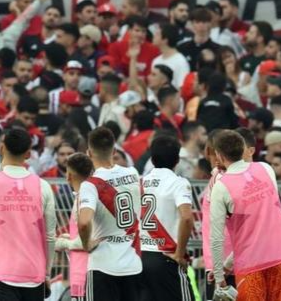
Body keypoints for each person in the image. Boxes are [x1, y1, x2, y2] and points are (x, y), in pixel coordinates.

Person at [0, 128, 56, 300]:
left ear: (2, 148)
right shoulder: (43, 186)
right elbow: (50, 236)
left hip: (2, 273)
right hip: (34, 273)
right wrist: (47, 274)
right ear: (28, 154)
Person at [210, 130, 281, 301]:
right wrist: (228, 265)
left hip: (250, 263)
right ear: (243, 149)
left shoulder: (221, 186)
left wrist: (220, 278)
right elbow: (269, 215)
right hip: (279, 255)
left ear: (218, 155)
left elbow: (217, 238)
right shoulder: (265, 169)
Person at [78, 127, 142, 300]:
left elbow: (84, 222)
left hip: (103, 266)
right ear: (114, 151)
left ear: (89, 153)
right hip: (133, 264)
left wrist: (86, 244)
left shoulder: (90, 185)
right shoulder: (133, 173)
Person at [140, 135, 194, 301]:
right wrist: (179, 254)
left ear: (152, 158)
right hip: (166, 256)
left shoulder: (140, 183)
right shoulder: (178, 183)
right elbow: (187, 218)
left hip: (140, 256)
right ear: (177, 160)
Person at [55, 152, 93, 301]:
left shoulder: (85, 199)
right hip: (86, 273)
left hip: (84, 274)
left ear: (68, 175)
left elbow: (90, 239)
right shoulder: (85, 196)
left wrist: (65, 243)